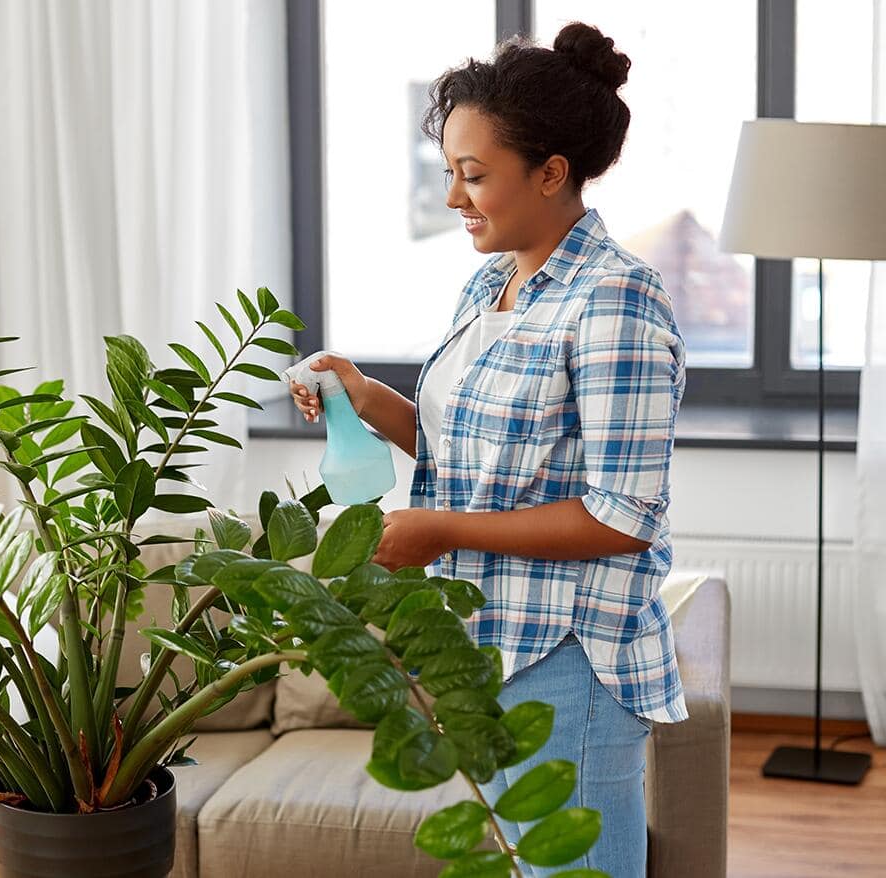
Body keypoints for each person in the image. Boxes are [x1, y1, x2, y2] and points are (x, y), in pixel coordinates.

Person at [287, 23, 686, 878]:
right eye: (449, 175)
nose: (455, 199)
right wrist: (362, 394)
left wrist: (441, 532)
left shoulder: (615, 302)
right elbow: (467, 449)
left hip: (570, 655)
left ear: (551, 173)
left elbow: (622, 517)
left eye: (475, 177)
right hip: (490, 638)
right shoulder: (491, 280)